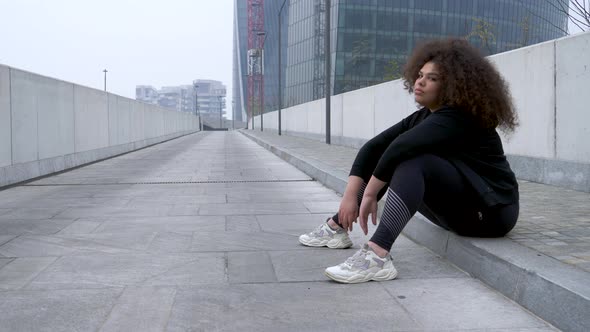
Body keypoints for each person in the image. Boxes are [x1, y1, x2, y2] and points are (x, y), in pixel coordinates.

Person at [298, 38, 520, 284]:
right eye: (420, 75)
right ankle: (337, 226)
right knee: (394, 158)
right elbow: (374, 147)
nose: (420, 82)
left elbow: (399, 148)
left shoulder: (460, 117)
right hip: (461, 210)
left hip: (491, 214)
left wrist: (370, 194)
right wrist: (350, 196)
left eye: (432, 78)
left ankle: (377, 255)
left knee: (412, 161)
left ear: (453, 86)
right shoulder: (426, 116)